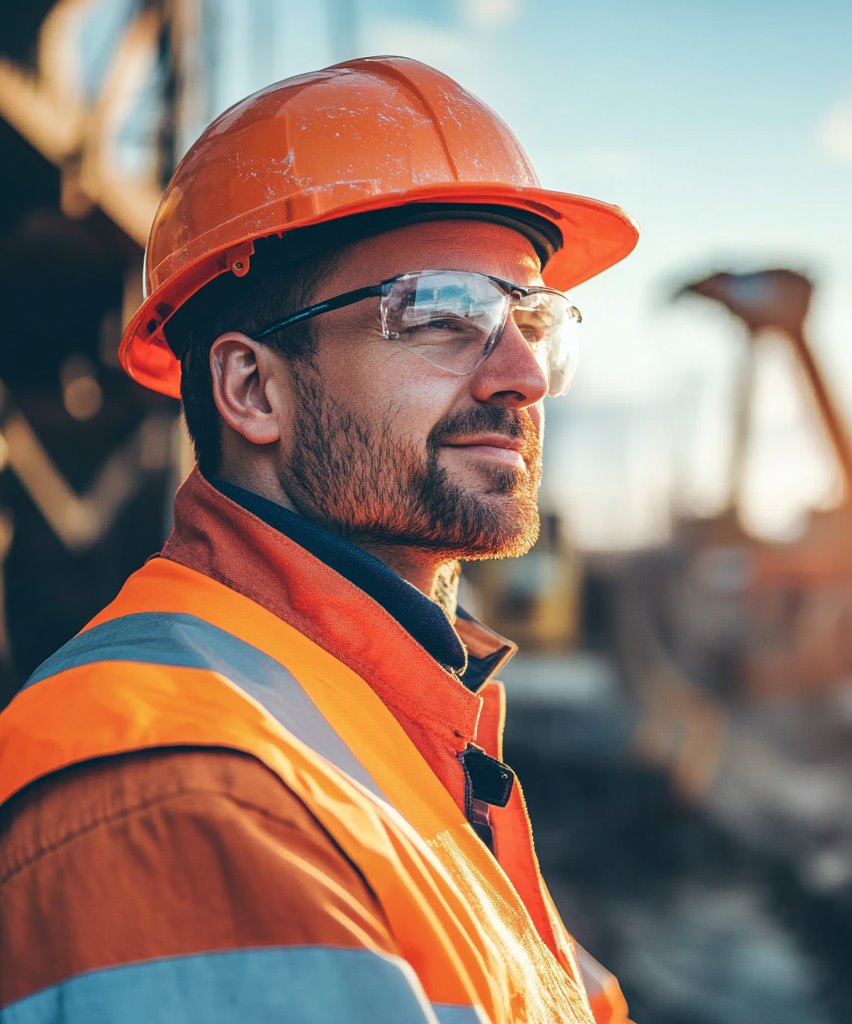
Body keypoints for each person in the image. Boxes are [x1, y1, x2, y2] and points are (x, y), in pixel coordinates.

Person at [0, 56, 638, 1023]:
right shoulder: (188, 793)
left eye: (531, 318)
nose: (523, 375)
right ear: (252, 389)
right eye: (442, 313)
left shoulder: (391, 723)